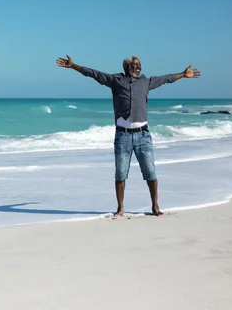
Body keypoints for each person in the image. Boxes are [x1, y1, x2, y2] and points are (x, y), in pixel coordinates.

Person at [56, 55, 201, 216]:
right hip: (122, 136)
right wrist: (74, 66)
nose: (138, 67)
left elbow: (166, 79)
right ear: (126, 67)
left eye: (139, 65)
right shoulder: (115, 80)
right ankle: (120, 209)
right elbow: (94, 74)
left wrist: (183, 74)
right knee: (120, 174)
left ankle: (155, 206)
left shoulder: (146, 81)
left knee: (150, 173)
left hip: (143, 136)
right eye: (134, 65)